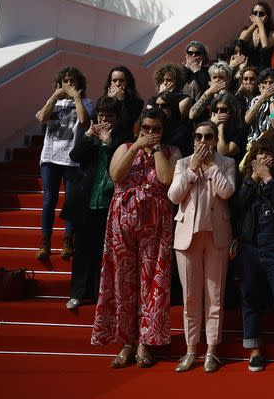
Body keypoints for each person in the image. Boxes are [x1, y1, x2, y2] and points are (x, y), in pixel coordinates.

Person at [91, 108, 180, 368]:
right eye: (146, 129)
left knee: (153, 281)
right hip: (122, 223)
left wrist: (154, 150)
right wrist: (136, 147)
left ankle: (145, 342)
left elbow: (166, 178)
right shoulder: (124, 147)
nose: (151, 134)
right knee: (121, 281)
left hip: (156, 224)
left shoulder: (171, 152)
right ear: (138, 128)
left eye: (156, 129)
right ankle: (125, 342)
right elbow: (116, 174)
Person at [168, 121, 236, 373]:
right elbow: (174, 196)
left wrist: (209, 167)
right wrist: (191, 170)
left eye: (208, 136)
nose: (202, 141)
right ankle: (190, 350)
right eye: (198, 136)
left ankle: (211, 352)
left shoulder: (226, 163)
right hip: (187, 237)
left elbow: (227, 192)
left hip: (216, 236)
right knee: (190, 298)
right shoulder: (183, 163)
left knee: (214, 298)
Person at [236, 135, 274, 372]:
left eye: (269, 153)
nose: (264, 157)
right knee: (250, 296)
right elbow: (238, 205)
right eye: (260, 153)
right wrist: (253, 179)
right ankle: (254, 349)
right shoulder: (246, 178)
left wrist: (268, 179)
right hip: (250, 246)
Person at [61, 97, 130, 310]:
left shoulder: (123, 139)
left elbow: (121, 167)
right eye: (101, 114)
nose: (104, 119)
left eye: (109, 115)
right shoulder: (89, 134)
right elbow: (75, 155)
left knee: (104, 252)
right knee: (81, 250)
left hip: (109, 203)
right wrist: (90, 136)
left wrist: (108, 143)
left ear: (117, 118)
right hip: (86, 201)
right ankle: (78, 293)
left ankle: (100, 293)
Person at [35, 67, 94, 260]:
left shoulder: (86, 102)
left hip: (71, 159)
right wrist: (54, 97)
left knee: (71, 200)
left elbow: (85, 121)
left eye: (73, 81)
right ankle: (45, 243)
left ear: (79, 84)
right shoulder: (54, 101)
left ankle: (68, 240)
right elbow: (42, 118)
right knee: (48, 199)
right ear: (59, 83)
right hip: (50, 157)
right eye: (65, 81)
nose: (69, 85)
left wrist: (76, 98)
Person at [238, 1, 274, 69]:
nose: (257, 16)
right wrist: (254, 25)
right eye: (255, 13)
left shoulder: (273, 33)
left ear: (266, 17)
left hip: (264, 73)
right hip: (248, 73)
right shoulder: (245, 31)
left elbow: (265, 45)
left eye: (261, 14)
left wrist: (260, 24)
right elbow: (239, 43)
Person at [103, 66, 143, 136]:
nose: (118, 84)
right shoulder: (102, 100)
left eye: (121, 80)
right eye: (114, 81)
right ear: (110, 82)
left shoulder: (137, 103)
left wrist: (121, 101)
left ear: (127, 82)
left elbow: (128, 124)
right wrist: (109, 101)